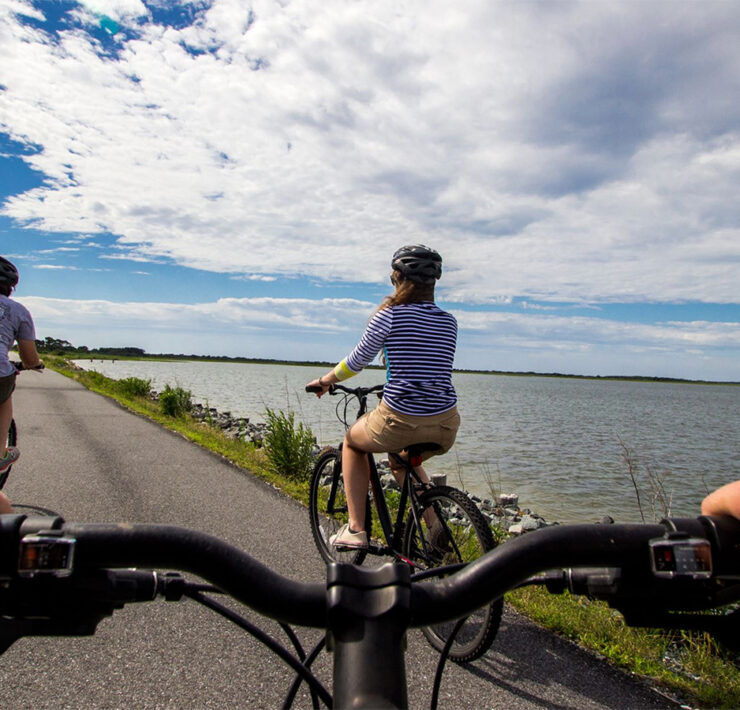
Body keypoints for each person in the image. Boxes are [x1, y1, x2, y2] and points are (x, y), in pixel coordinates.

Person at [307, 245, 460, 549]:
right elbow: (425, 367)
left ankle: (355, 530)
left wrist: (325, 381)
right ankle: (434, 525)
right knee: (401, 461)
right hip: (446, 424)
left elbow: (356, 362)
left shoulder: (389, 316)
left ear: (399, 279)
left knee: (352, 442)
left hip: (401, 420)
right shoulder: (449, 322)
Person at [0, 256, 43, 495]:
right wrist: (35, 364)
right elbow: (29, 358)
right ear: (11, 287)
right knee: (4, 393)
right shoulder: (18, 311)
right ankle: (0, 453)